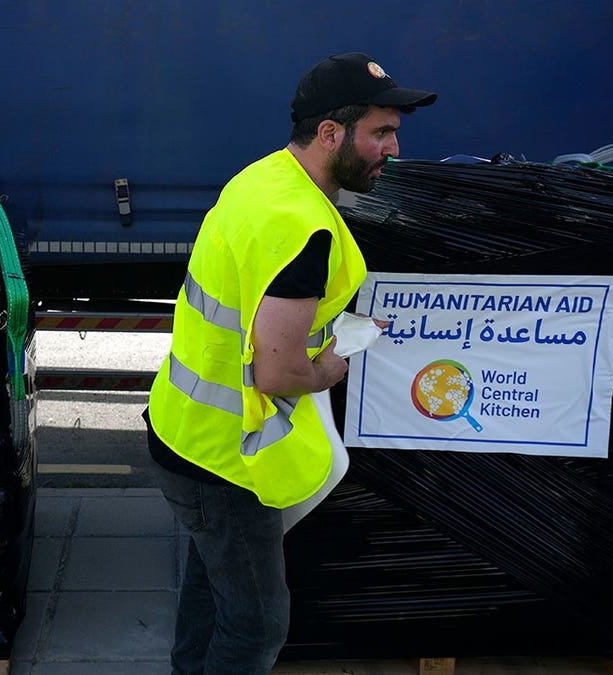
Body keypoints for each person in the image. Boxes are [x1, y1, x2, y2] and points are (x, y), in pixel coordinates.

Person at [145, 52, 437, 674]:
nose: (392, 148)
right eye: (380, 133)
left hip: (187, 431)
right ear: (331, 133)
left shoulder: (264, 178)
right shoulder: (305, 228)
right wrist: (333, 366)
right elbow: (277, 375)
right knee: (254, 626)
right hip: (225, 462)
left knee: (210, 589)